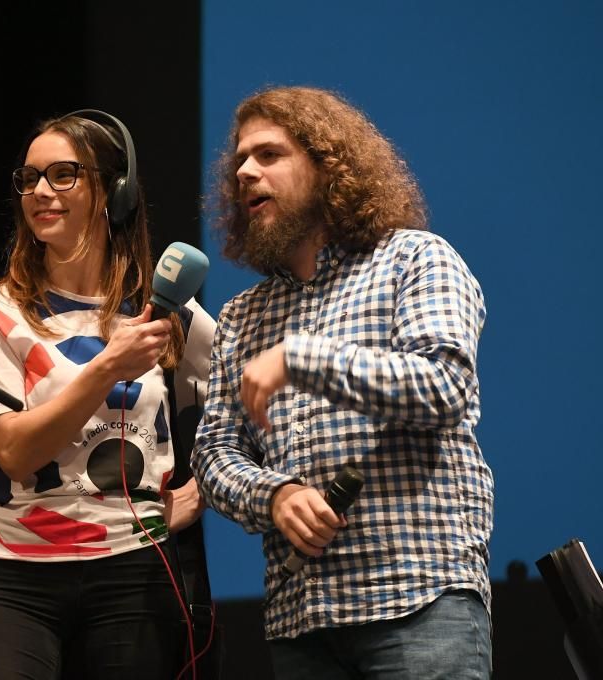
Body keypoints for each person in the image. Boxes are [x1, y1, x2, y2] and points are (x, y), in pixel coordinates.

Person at [191, 85, 493, 679]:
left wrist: (306, 359)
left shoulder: (414, 259)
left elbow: (443, 387)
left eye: (270, 155)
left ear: (330, 168)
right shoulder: (242, 316)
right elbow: (214, 452)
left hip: (419, 602)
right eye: (241, 161)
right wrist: (274, 496)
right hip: (303, 623)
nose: (247, 172)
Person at [0, 109, 216, 679]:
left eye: (63, 174)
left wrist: (206, 489)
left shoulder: (164, 312)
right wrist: (107, 367)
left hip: (135, 569)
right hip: (12, 570)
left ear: (112, 193)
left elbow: (253, 400)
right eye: (29, 179)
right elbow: (17, 454)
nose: (40, 192)